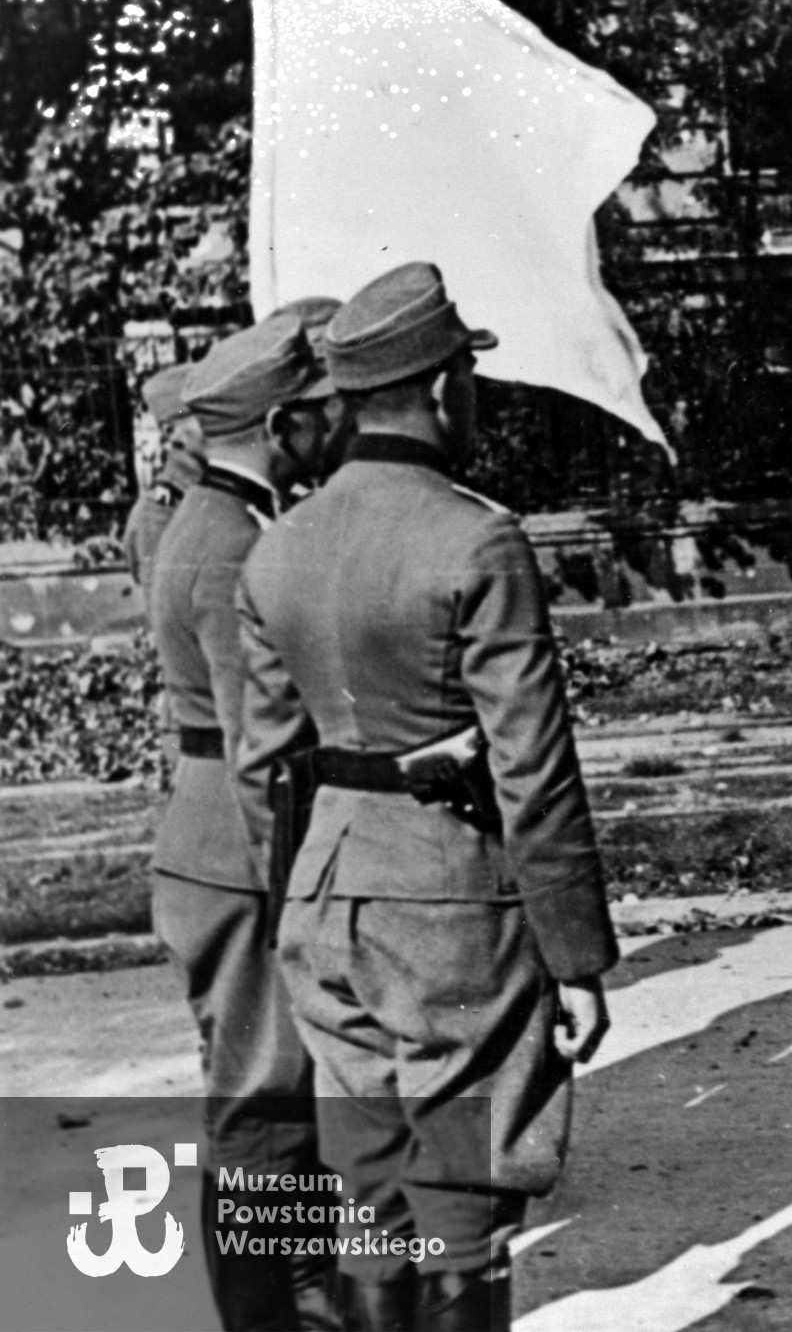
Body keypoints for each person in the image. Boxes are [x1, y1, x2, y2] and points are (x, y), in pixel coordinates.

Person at [235, 262, 618, 1332]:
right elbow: (534, 771)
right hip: (446, 903)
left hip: (323, 900)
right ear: (446, 386)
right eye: (469, 376)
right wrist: (577, 956)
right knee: (457, 1206)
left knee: (369, 1196)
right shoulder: (476, 538)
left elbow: (264, 767)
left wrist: (290, 918)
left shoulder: (278, 550)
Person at [147, 309, 347, 1331]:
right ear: (279, 425)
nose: (330, 428)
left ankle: (304, 1292)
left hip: (215, 834)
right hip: (242, 841)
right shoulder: (230, 543)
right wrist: (299, 890)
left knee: (273, 1090)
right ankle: (270, 1318)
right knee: (262, 1104)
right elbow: (257, 738)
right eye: (315, 415)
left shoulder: (222, 521)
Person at [122, 363, 205, 589]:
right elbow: (170, 615)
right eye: (207, 417)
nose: (224, 424)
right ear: (171, 432)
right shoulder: (158, 516)